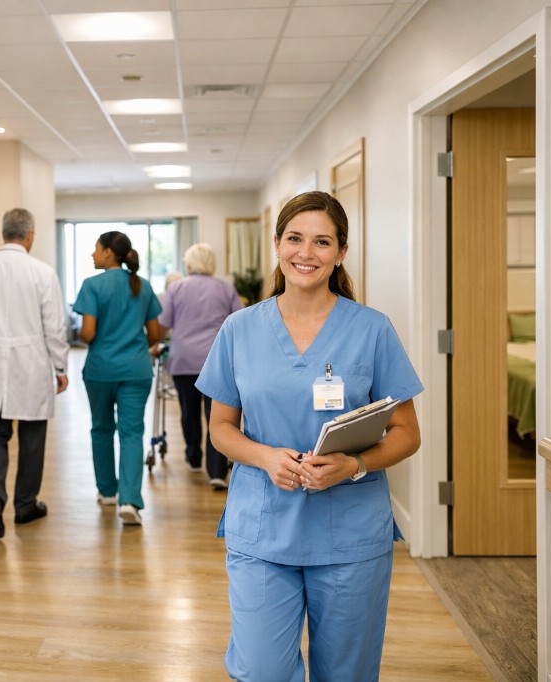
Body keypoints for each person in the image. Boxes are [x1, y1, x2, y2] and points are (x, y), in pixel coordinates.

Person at [195, 191, 423, 681]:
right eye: (295, 238)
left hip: (350, 533)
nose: (306, 252)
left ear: (341, 252)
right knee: (262, 670)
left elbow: (406, 433)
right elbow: (219, 429)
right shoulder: (239, 329)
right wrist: (263, 457)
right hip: (263, 527)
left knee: (346, 672)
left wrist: (354, 464)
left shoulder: (372, 330)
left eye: (322, 242)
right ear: (276, 244)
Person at [0, 208, 69, 540]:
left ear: (4, 232)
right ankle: (25, 505)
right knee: (32, 439)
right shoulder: (42, 273)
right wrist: (60, 367)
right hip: (30, 365)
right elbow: (54, 327)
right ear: (30, 235)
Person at [73, 231, 163, 526]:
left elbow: (87, 333)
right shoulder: (144, 286)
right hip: (136, 370)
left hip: (101, 370)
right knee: (131, 432)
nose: (92, 254)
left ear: (109, 253)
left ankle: (108, 492)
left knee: (101, 429)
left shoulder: (92, 286)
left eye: (96, 249)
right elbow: (155, 334)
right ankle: (129, 501)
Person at [155, 243, 243, 489]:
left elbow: (164, 323)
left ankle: (193, 457)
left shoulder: (176, 288)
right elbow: (241, 321)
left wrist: (156, 342)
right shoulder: (225, 288)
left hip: (183, 359)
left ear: (189, 263)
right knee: (217, 416)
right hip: (216, 359)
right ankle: (216, 471)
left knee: (188, 411)